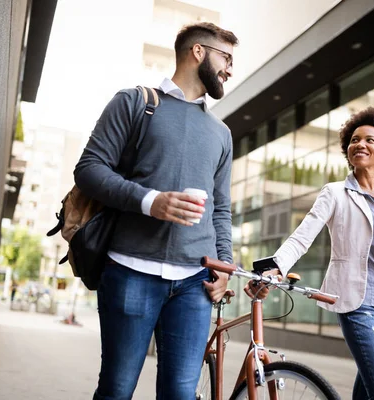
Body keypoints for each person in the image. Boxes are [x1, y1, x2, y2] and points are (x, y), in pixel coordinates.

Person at [73, 22, 238, 399]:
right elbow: (89, 169)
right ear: (199, 52)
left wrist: (224, 264)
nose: (230, 69)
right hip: (131, 271)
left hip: (195, 284)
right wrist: (151, 201)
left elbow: (221, 208)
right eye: (226, 58)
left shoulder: (221, 133)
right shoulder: (135, 102)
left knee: (181, 393)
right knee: (117, 388)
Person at [247, 108, 374, 400]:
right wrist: (276, 266)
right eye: (354, 140)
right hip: (360, 305)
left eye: (369, 140)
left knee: (369, 391)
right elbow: (302, 237)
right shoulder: (336, 193)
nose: (360, 145)